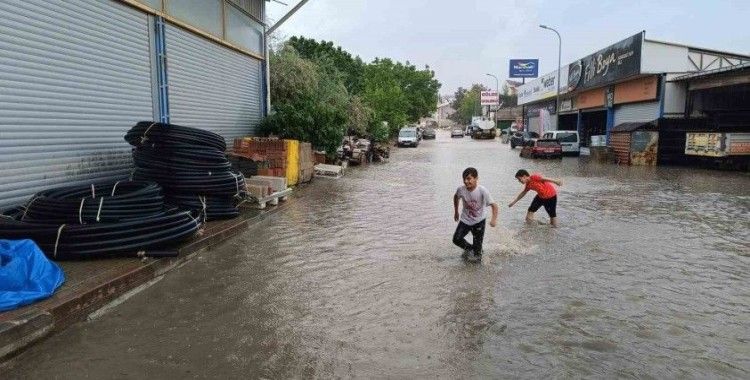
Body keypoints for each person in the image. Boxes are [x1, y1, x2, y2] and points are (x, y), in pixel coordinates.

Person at [453, 167, 499, 261]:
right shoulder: (461, 190)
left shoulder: (482, 190)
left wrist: (493, 220)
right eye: (464, 179)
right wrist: (456, 211)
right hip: (465, 220)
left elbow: (494, 206)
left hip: (479, 221)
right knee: (456, 239)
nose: (466, 181)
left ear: (476, 178)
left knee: (477, 255)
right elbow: (456, 197)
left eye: (469, 179)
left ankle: (477, 269)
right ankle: (470, 248)